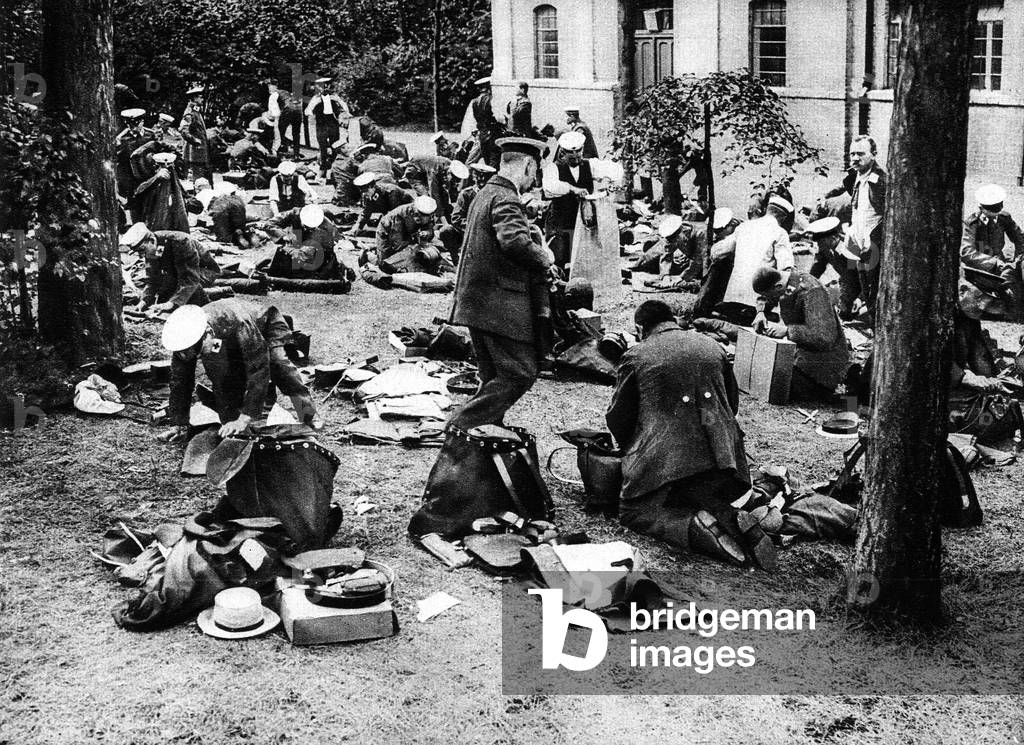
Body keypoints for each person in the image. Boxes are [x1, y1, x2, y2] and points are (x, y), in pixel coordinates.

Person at [606, 300, 775, 569]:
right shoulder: (712, 346)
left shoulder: (636, 356)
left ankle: (696, 529)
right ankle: (730, 518)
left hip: (668, 461)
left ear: (639, 328)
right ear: (672, 320)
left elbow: (618, 417)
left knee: (633, 513)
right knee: (694, 493)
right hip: (724, 461)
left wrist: (632, 451)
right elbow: (731, 405)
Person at [447, 137, 555, 430]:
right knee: (520, 372)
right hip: (496, 303)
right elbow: (515, 242)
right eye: (535, 172)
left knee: (493, 375)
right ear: (528, 165)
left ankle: (483, 437)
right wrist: (544, 257)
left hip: (477, 300)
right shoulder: (507, 197)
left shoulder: (486, 192)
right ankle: (459, 429)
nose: (534, 180)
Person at [161, 301, 317, 441]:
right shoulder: (183, 339)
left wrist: (245, 418)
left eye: (201, 352)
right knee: (222, 374)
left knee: (279, 366)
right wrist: (178, 423)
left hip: (264, 325)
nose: (200, 357)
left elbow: (259, 370)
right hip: (227, 338)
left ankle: (308, 413)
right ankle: (244, 413)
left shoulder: (240, 326)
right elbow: (180, 381)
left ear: (208, 333)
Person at [752, 266, 852, 402]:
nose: (772, 299)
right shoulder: (783, 278)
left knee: (775, 383)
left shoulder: (813, 292)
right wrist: (760, 312)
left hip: (821, 366)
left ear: (778, 286)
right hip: (801, 356)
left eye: (772, 295)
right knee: (763, 372)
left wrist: (787, 331)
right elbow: (765, 296)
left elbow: (824, 337)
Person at [700, 194, 794, 326]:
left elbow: (717, 253)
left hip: (732, 298)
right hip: (758, 303)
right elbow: (786, 268)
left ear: (767, 209)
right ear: (783, 217)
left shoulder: (743, 227)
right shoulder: (780, 233)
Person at [542, 130, 624, 267]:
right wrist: (573, 188)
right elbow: (550, 187)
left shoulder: (590, 165)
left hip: (582, 219)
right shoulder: (553, 168)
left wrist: (608, 180)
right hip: (560, 221)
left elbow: (615, 170)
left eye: (578, 152)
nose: (575, 156)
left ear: (583, 149)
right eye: (570, 153)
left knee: (583, 258)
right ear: (562, 152)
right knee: (559, 258)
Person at [825, 135, 886, 317]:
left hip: (873, 244)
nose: (855, 158)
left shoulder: (880, 180)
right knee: (862, 287)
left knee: (874, 292)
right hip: (857, 242)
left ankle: (875, 329)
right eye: (852, 154)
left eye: (861, 154)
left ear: (873, 154)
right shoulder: (855, 176)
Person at [120, 223, 221, 313]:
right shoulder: (151, 247)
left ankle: (205, 305)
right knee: (166, 290)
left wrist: (172, 303)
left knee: (185, 291)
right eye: (138, 252)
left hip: (203, 271)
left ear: (152, 241)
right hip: (178, 272)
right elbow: (153, 279)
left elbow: (190, 278)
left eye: (142, 250)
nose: (142, 255)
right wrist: (144, 301)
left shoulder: (180, 242)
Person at [961, 184, 1024, 319]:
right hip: (980, 268)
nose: (996, 211)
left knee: (1014, 275)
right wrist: (994, 263)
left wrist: (1019, 258)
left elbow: (1020, 238)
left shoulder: (1004, 218)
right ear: (981, 208)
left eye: (998, 206)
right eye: (991, 208)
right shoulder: (972, 223)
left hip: (1001, 263)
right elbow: (967, 252)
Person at [362, 196, 452, 283]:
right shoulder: (398, 217)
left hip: (407, 234)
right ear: (416, 212)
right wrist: (414, 248)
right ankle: (368, 254)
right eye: (421, 217)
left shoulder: (426, 211)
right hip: (387, 234)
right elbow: (398, 244)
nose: (426, 219)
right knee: (385, 265)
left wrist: (427, 233)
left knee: (416, 257)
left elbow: (429, 229)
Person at [805, 216, 860, 320]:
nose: (819, 246)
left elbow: (863, 276)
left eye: (821, 242)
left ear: (833, 238)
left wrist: (860, 298)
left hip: (861, 285)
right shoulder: (825, 248)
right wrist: (807, 284)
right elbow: (817, 268)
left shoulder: (849, 247)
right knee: (844, 315)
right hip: (847, 283)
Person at [439, 162, 495, 264]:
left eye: (485, 177)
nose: (481, 179)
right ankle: (456, 259)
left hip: (487, 234)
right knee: (446, 231)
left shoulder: (493, 196)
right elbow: (456, 218)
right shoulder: (466, 194)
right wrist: (472, 228)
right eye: (478, 176)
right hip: (466, 231)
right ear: (474, 177)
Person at [130, 146, 191, 234]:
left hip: (174, 225)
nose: (166, 169)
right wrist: (156, 178)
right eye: (162, 166)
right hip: (153, 224)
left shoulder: (174, 181)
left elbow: (187, 197)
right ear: (155, 166)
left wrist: (186, 202)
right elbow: (139, 192)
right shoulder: (149, 179)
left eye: (169, 166)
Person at [305, 77, 351, 179]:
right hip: (321, 123)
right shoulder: (315, 98)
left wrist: (338, 101)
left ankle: (333, 170)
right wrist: (314, 105)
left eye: (326, 86)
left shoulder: (334, 96)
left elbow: (345, 108)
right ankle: (323, 170)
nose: (324, 88)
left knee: (335, 146)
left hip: (332, 123)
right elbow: (307, 111)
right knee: (323, 148)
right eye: (321, 86)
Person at [114, 108, 152, 221]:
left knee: (150, 204)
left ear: (142, 122)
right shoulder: (121, 139)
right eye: (130, 125)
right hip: (131, 179)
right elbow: (120, 164)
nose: (133, 128)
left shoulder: (150, 135)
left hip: (148, 176)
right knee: (135, 208)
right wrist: (123, 184)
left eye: (136, 125)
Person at [189, 182, 251, 247]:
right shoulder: (214, 191)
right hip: (237, 204)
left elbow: (196, 218)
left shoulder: (198, 196)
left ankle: (235, 238)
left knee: (223, 237)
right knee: (234, 224)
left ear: (197, 189)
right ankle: (241, 232)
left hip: (220, 206)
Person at [179, 85, 212, 184]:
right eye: (200, 97)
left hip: (200, 154)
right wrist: (195, 141)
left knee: (205, 180)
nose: (202, 99)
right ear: (194, 98)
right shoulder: (189, 113)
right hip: (195, 154)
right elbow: (183, 130)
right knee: (198, 181)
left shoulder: (196, 112)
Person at [470, 76, 502, 169]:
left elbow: (475, 118)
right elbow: (499, 118)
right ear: (489, 87)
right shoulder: (492, 100)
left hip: (482, 135)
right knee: (494, 161)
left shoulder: (474, 102)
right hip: (493, 134)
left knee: (487, 162)